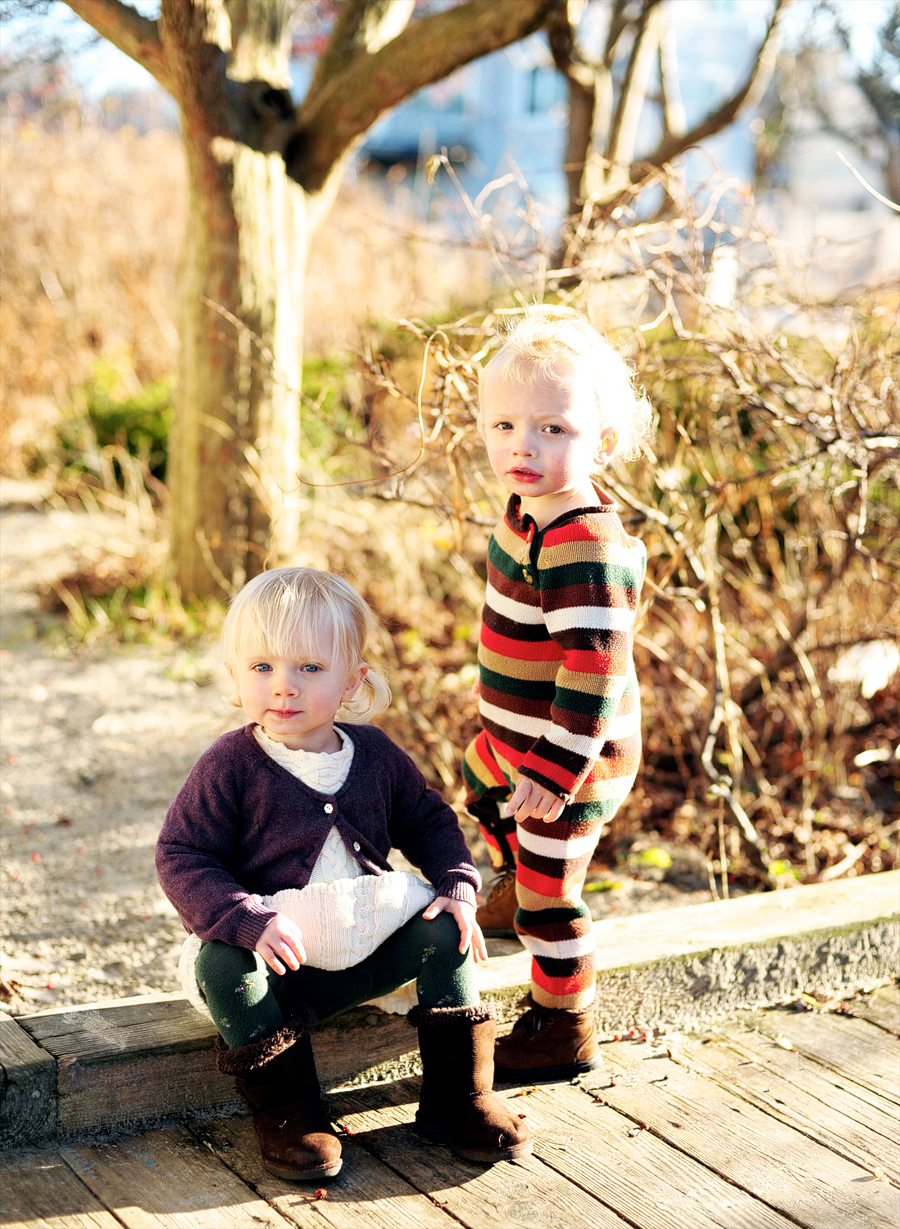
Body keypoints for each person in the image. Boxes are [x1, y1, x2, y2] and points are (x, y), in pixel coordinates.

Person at [157, 567, 530, 1183]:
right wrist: (245, 919)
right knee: (220, 964)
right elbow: (181, 852)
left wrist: (458, 885)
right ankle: (291, 1115)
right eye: (261, 668)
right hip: (283, 963)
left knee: (449, 931)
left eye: (309, 668)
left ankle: (456, 1099)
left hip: (370, 943)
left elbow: (430, 821)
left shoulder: (375, 754)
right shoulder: (231, 764)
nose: (284, 688)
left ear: (352, 681)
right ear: (235, 677)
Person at [462, 307, 651, 1083]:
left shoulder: (585, 544)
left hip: (574, 756)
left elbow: (595, 668)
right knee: (480, 779)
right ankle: (510, 881)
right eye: (504, 424)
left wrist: (556, 769)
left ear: (600, 443)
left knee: (552, 896)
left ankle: (563, 1020)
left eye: (551, 429)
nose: (522, 446)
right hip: (516, 741)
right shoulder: (524, 510)